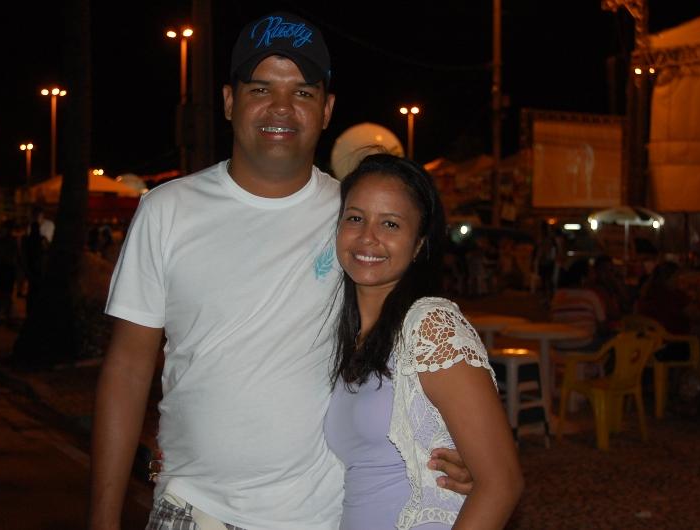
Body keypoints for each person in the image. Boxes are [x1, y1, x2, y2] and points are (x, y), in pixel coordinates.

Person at [90, 12, 471, 530]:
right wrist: (103, 518)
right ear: (230, 101)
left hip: (319, 516)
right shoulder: (166, 210)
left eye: (303, 92)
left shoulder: (354, 221)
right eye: (261, 88)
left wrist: (456, 438)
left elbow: (418, 333)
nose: (282, 108)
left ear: (326, 109)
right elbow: (128, 369)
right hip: (191, 508)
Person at [324, 154, 523, 529]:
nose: (368, 237)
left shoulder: (431, 326)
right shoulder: (348, 336)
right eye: (355, 218)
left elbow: (502, 483)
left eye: (390, 224)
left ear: (418, 244)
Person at [550, 258, 612, 351]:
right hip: (584, 344)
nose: (594, 276)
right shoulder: (590, 295)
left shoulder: (558, 295)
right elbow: (603, 327)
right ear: (584, 278)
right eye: (592, 273)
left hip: (559, 345)